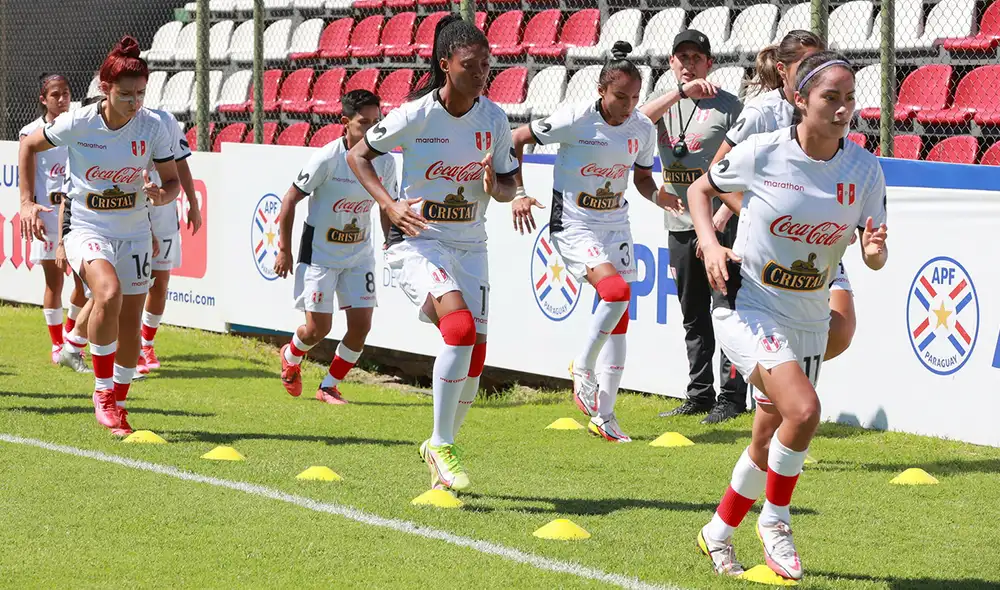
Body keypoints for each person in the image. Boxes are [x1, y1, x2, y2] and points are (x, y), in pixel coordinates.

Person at [687, 52, 888, 580]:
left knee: (765, 440)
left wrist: (872, 249)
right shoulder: (763, 152)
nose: (843, 109)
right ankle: (775, 522)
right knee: (803, 411)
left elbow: (875, 254)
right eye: (830, 97)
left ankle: (717, 531)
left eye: (849, 98)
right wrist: (710, 245)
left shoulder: (864, 169)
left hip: (808, 316)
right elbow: (699, 189)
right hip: (748, 302)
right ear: (801, 99)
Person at [347, 15, 518, 492]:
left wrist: (496, 187)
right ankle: (441, 443)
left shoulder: (494, 118)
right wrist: (389, 204)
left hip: (471, 244)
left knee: (476, 357)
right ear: (446, 65)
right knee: (460, 330)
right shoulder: (416, 115)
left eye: (487, 63)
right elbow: (357, 155)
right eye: (471, 64)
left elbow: (506, 185)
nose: (482, 72)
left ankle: (439, 455)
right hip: (419, 240)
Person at [19, 36, 180, 436]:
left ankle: (120, 403)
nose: (134, 102)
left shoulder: (153, 127)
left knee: (130, 319)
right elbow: (28, 145)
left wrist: (164, 194)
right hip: (86, 226)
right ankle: (103, 392)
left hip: (136, 231)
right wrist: (25, 201)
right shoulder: (78, 122)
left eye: (141, 93)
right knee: (107, 292)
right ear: (104, 89)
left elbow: (172, 180)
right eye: (126, 94)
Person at [510, 41, 660, 443]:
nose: (628, 105)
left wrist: (661, 196)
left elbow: (643, 178)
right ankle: (582, 365)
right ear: (600, 90)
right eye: (620, 96)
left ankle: (605, 416)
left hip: (617, 224)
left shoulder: (643, 129)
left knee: (620, 318)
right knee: (614, 291)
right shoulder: (575, 118)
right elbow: (517, 138)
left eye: (634, 98)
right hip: (574, 224)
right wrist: (519, 191)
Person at [710, 31, 857, 364]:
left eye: (819, 63)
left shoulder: (835, 105)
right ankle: (773, 394)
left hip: (817, 238)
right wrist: (752, 210)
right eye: (805, 64)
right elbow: (717, 170)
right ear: (782, 69)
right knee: (761, 329)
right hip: (771, 240)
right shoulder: (762, 112)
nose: (813, 72)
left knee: (841, 331)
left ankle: (780, 391)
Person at [638, 31, 748, 424]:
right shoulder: (667, 104)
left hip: (721, 222)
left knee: (728, 309)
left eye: (696, 57)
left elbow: (746, 169)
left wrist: (724, 217)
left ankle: (732, 398)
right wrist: (679, 94)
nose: (688, 63)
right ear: (670, 63)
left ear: (709, 63)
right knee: (692, 313)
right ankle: (699, 393)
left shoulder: (730, 107)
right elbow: (634, 121)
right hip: (680, 223)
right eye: (681, 57)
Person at [275, 89, 397, 404]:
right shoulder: (328, 158)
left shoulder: (385, 162)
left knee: (361, 326)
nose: (373, 130)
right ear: (345, 122)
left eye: (377, 122)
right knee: (317, 330)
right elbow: (290, 199)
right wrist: (284, 250)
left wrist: (391, 240)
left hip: (359, 256)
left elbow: (387, 207)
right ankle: (291, 354)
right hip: (320, 255)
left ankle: (328, 386)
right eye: (364, 123)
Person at [18, 73, 89, 365]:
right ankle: (58, 345)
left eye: (66, 94)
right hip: (47, 216)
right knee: (54, 283)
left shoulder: (79, 126)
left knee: (84, 283)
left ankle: (71, 337)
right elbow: (27, 176)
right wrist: (29, 205)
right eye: (55, 95)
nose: (62, 100)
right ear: (43, 99)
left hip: (77, 214)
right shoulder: (31, 132)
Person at [137, 107, 203, 373]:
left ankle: (146, 344)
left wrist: (194, 204)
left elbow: (181, 163)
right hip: (129, 208)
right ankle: (125, 345)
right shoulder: (119, 120)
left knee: (160, 282)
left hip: (164, 211)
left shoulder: (165, 120)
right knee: (133, 283)